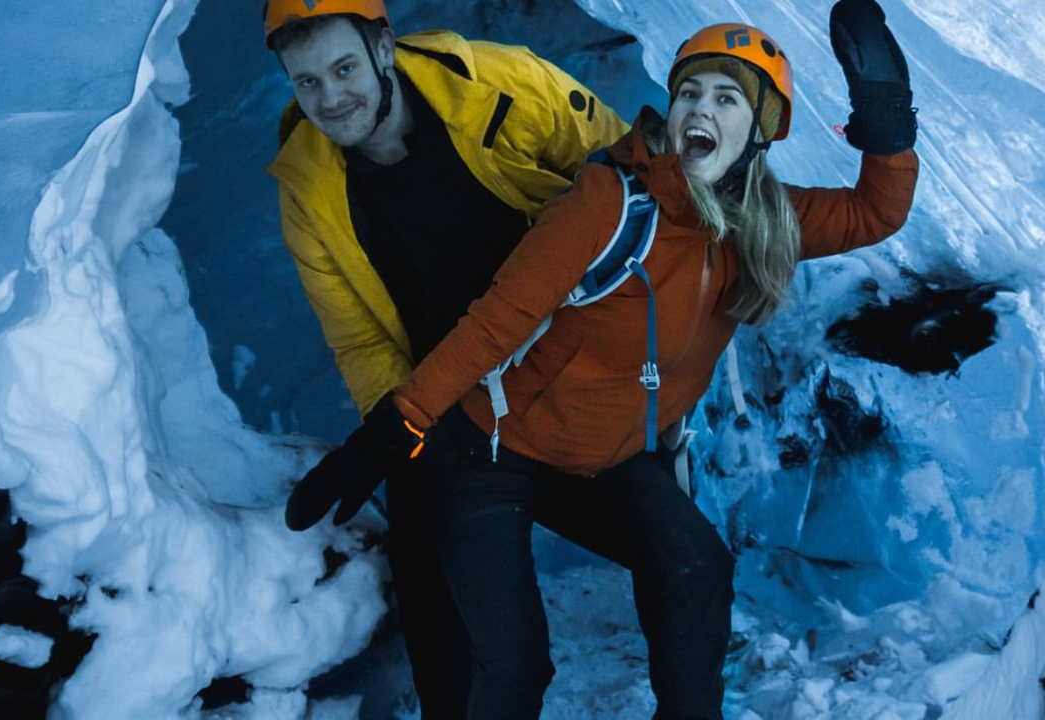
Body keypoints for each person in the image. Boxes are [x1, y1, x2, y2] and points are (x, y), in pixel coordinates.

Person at [285, 0, 919, 717]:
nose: (700, 109)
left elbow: (877, 211)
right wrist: (389, 435)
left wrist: (885, 106)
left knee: (695, 565)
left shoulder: (765, 218)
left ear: (760, 129)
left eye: (726, 97)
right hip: (485, 456)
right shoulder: (606, 203)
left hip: (591, 461)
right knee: (513, 671)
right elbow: (493, 325)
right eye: (688, 92)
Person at [263, 0, 627, 716]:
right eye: (307, 82)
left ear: (384, 50)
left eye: (343, 68)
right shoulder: (307, 185)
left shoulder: (503, 87)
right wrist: (404, 435)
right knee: (431, 572)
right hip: (441, 396)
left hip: (567, 365)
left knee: (681, 555)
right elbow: (360, 340)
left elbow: (626, 185)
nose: (330, 98)